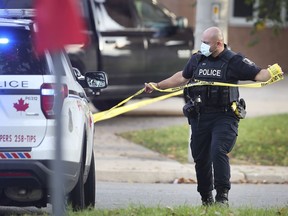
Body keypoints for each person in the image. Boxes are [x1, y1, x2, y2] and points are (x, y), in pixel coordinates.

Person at [144, 26, 283, 206]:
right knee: (200, 158)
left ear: (218, 43)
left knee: (218, 150)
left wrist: (273, 72)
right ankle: (206, 198)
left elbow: (259, 74)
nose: (202, 46)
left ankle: (222, 197)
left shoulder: (234, 61)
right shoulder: (197, 59)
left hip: (224, 116)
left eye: (206, 43)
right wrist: (158, 85)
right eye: (201, 42)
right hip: (200, 116)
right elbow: (181, 77)